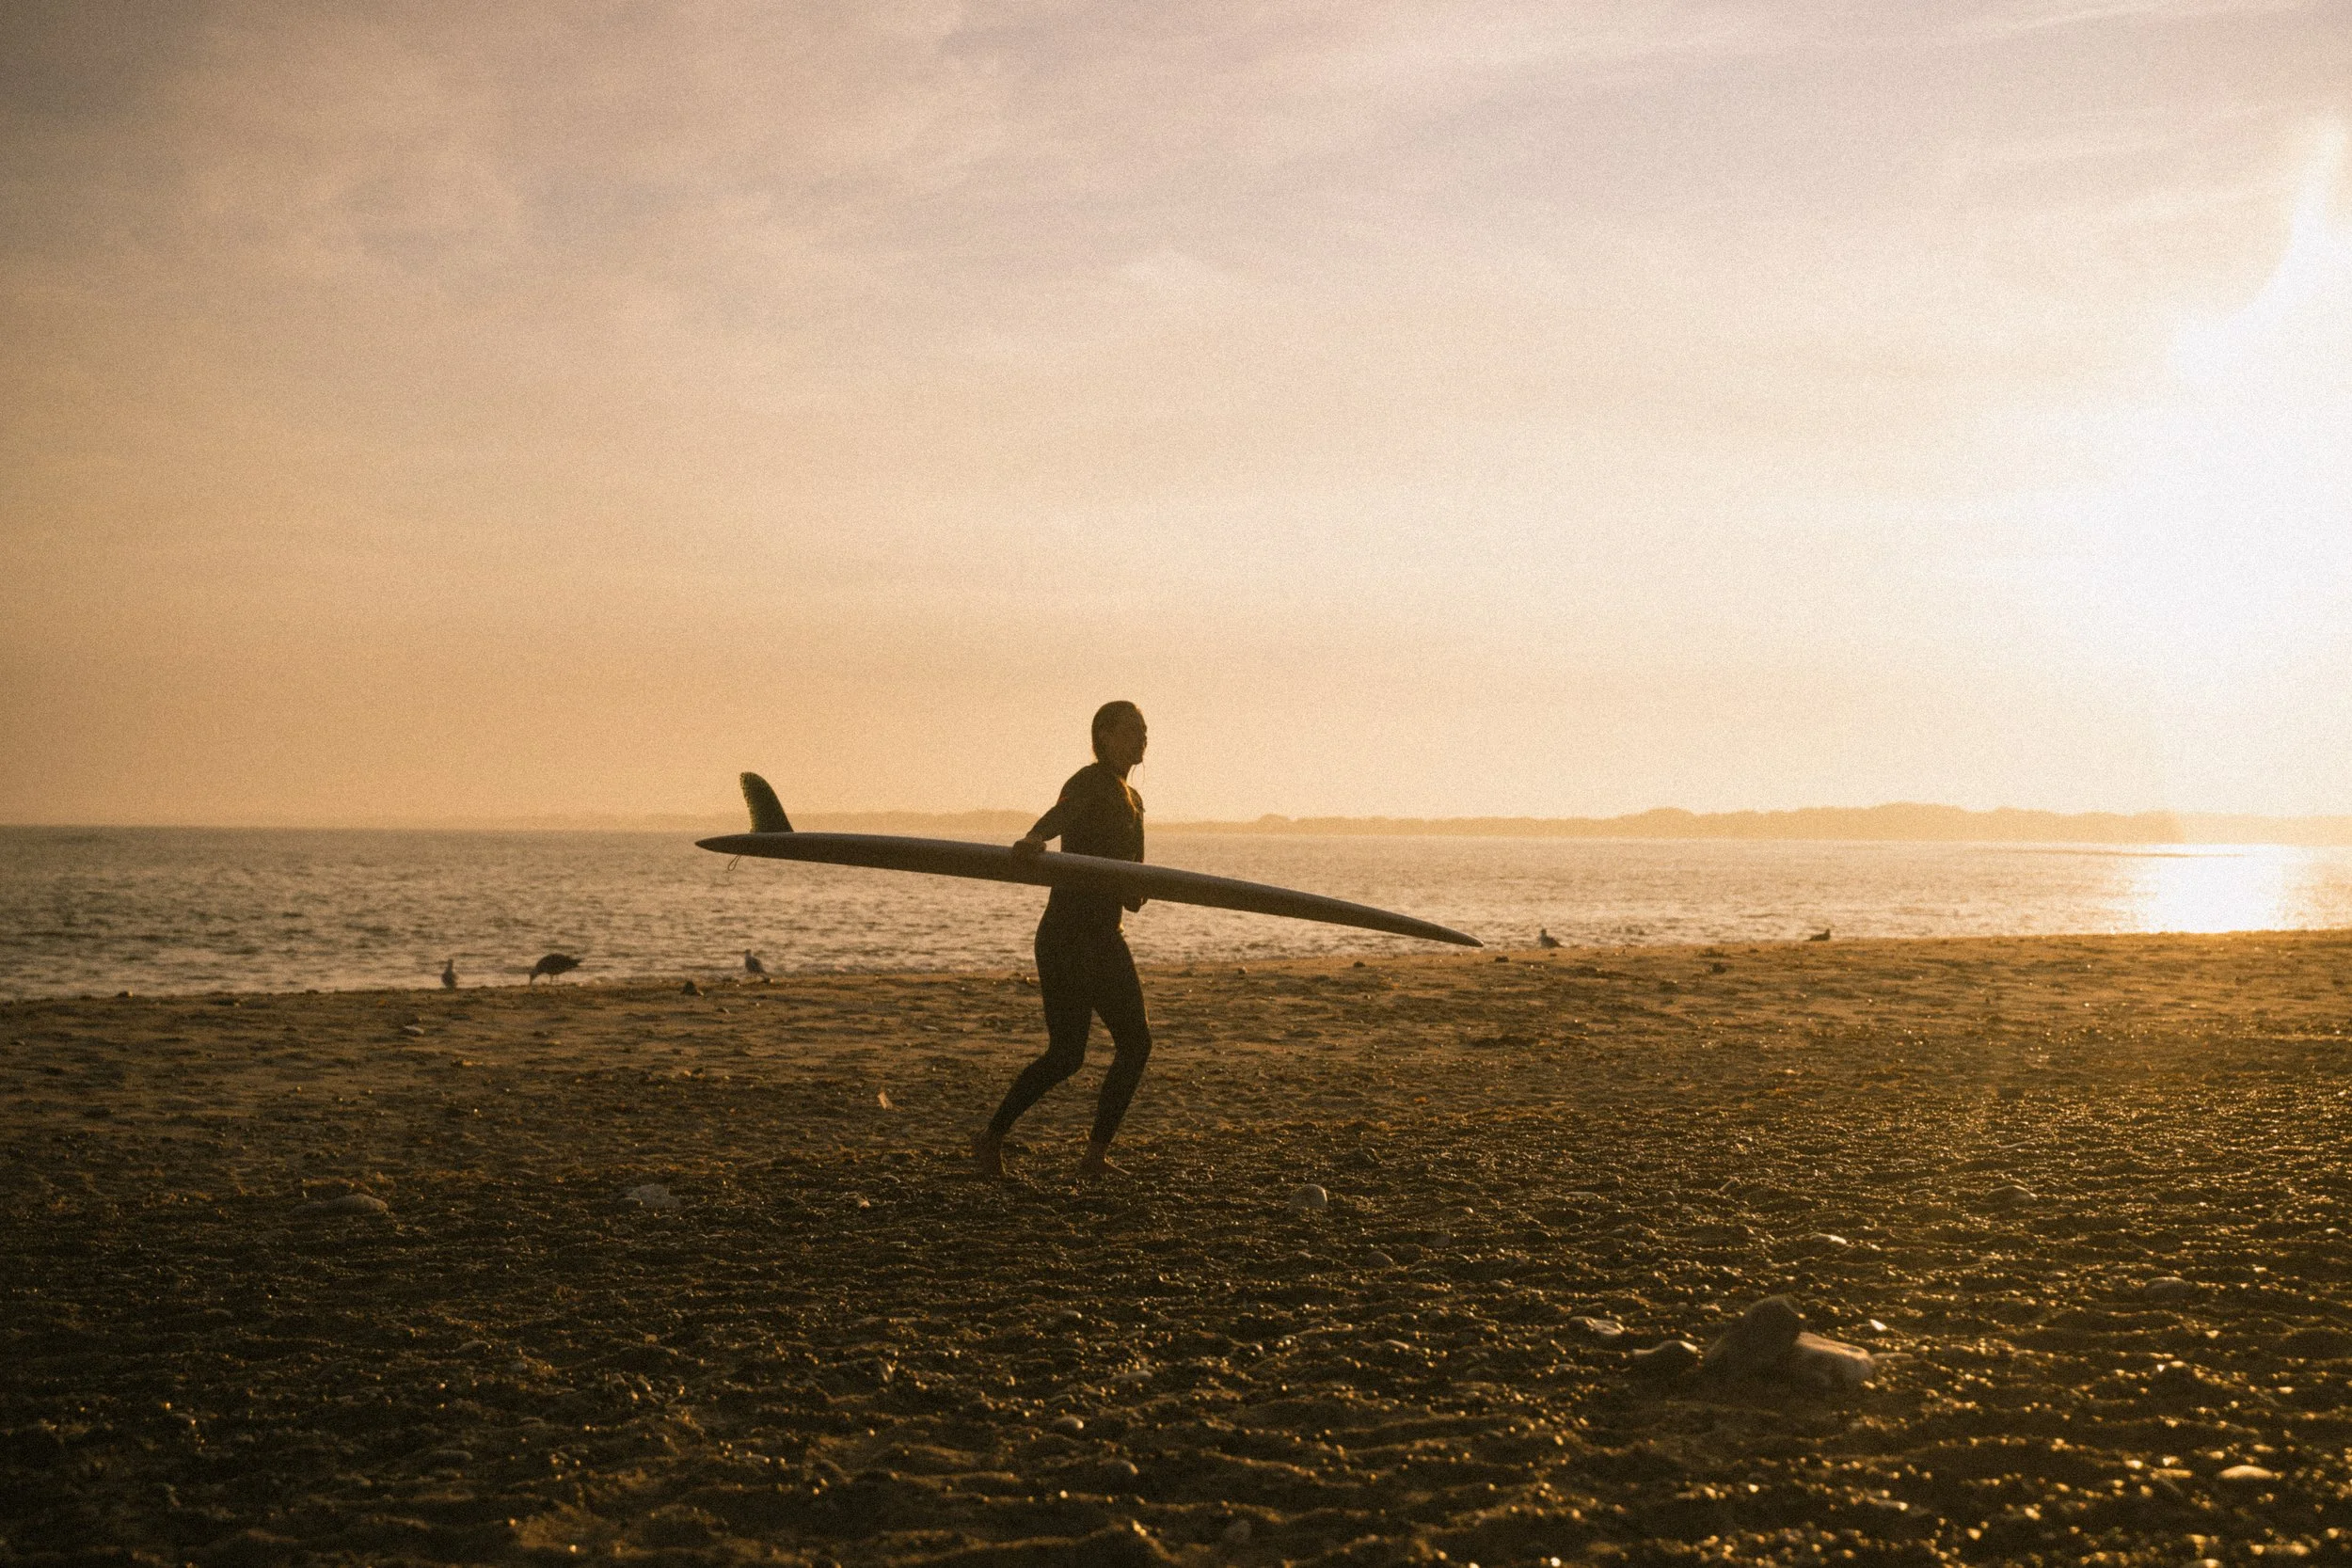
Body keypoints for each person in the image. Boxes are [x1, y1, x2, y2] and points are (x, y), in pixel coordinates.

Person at [973, 701, 1153, 1181]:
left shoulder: (1135, 803)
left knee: (1136, 1044)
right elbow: (1060, 814)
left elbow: (1132, 892)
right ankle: (991, 1139)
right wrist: (1035, 837)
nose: (1142, 739)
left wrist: (1141, 889)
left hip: (1105, 935)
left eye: (1145, 732)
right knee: (1067, 1055)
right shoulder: (1090, 781)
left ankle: (1094, 1157)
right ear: (1103, 736)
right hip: (1067, 937)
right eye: (1131, 730)